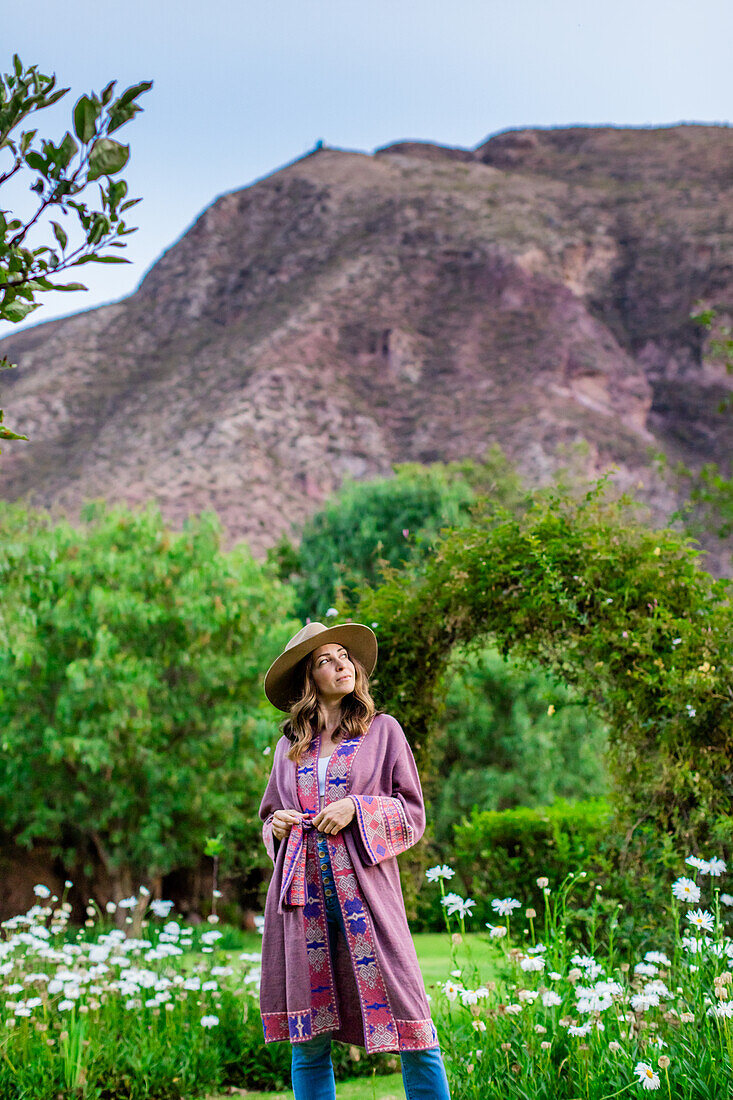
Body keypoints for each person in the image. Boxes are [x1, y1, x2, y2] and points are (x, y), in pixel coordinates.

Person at [259, 620, 452, 1100]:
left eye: (343, 654)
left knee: (414, 1024)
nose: (341, 664)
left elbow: (411, 811)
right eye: (325, 660)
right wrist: (278, 825)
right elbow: (267, 818)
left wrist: (357, 808)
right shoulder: (288, 749)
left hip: (368, 899)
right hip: (303, 904)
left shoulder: (383, 731)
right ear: (309, 678)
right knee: (308, 1039)